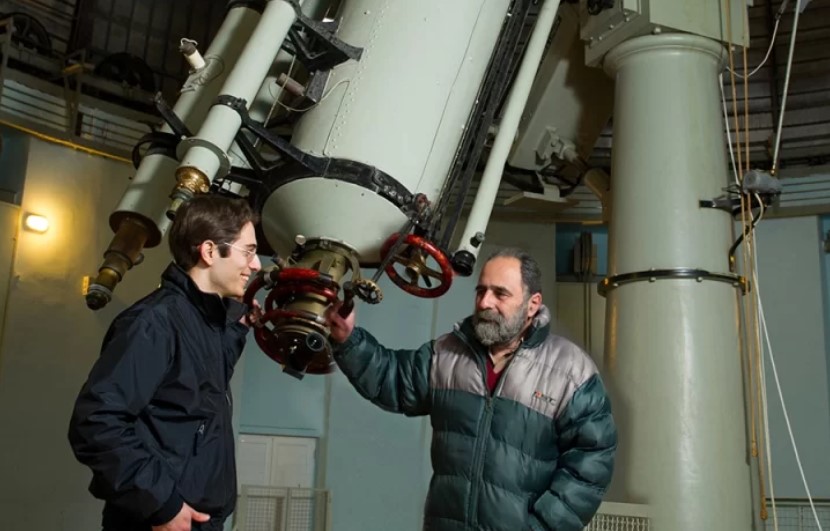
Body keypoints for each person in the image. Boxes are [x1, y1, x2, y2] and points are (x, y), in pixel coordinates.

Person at [325, 247, 617, 531]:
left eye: (500, 293)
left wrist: (542, 526)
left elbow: (593, 462)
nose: (485, 302)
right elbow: (393, 380)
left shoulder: (570, 371)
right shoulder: (446, 354)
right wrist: (348, 339)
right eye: (481, 291)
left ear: (532, 304)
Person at [68, 195, 262, 531]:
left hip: (196, 520)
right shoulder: (154, 322)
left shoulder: (201, 323)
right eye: (248, 251)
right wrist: (161, 504)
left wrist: (237, 328)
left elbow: (196, 391)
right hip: (159, 521)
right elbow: (97, 421)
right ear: (210, 251)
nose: (256, 264)